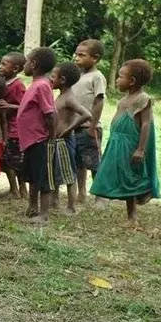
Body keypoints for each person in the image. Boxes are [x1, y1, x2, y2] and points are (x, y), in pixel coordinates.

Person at [90, 59, 161, 223]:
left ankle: (135, 210)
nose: (117, 80)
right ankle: (126, 202)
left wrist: (141, 149)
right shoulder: (123, 100)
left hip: (130, 144)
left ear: (132, 81)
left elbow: (146, 124)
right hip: (117, 143)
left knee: (131, 177)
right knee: (121, 174)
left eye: (121, 76)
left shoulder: (142, 98)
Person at [17, 47, 58, 223]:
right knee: (33, 175)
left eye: (26, 61)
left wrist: (51, 137)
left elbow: (50, 114)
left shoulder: (42, 85)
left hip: (40, 139)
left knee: (43, 177)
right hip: (30, 141)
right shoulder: (35, 85)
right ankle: (33, 207)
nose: (24, 65)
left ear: (33, 64)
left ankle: (44, 214)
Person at [50, 62, 92, 214]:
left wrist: (69, 129)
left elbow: (86, 114)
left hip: (64, 141)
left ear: (62, 80)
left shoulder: (69, 98)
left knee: (68, 174)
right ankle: (54, 200)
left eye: (53, 76)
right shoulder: (61, 96)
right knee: (54, 170)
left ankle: (71, 206)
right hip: (56, 140)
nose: (50, 79)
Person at [71, 39, 107, 204]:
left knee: (94, 162)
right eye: (76, 54)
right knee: (79, 162)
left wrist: (93, 125)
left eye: (82, 55)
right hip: (75, 126)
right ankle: (81, 193)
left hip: (89, 127)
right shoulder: (77, 76)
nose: (77, 58)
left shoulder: (97, 77)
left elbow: (99, 101)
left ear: (95, 58)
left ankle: (100, 196)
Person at [0, 52, 28, 199]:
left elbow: (25, 105)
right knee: (7, 160)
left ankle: (18, 190)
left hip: (15, 129)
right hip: (5, 127)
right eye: (0, 63)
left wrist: (9, 105)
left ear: (15, 68)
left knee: (13, 161)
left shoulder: (18, 85)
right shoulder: (3, 82)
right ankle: (15, 189)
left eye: (4, 64)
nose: (0, 66)